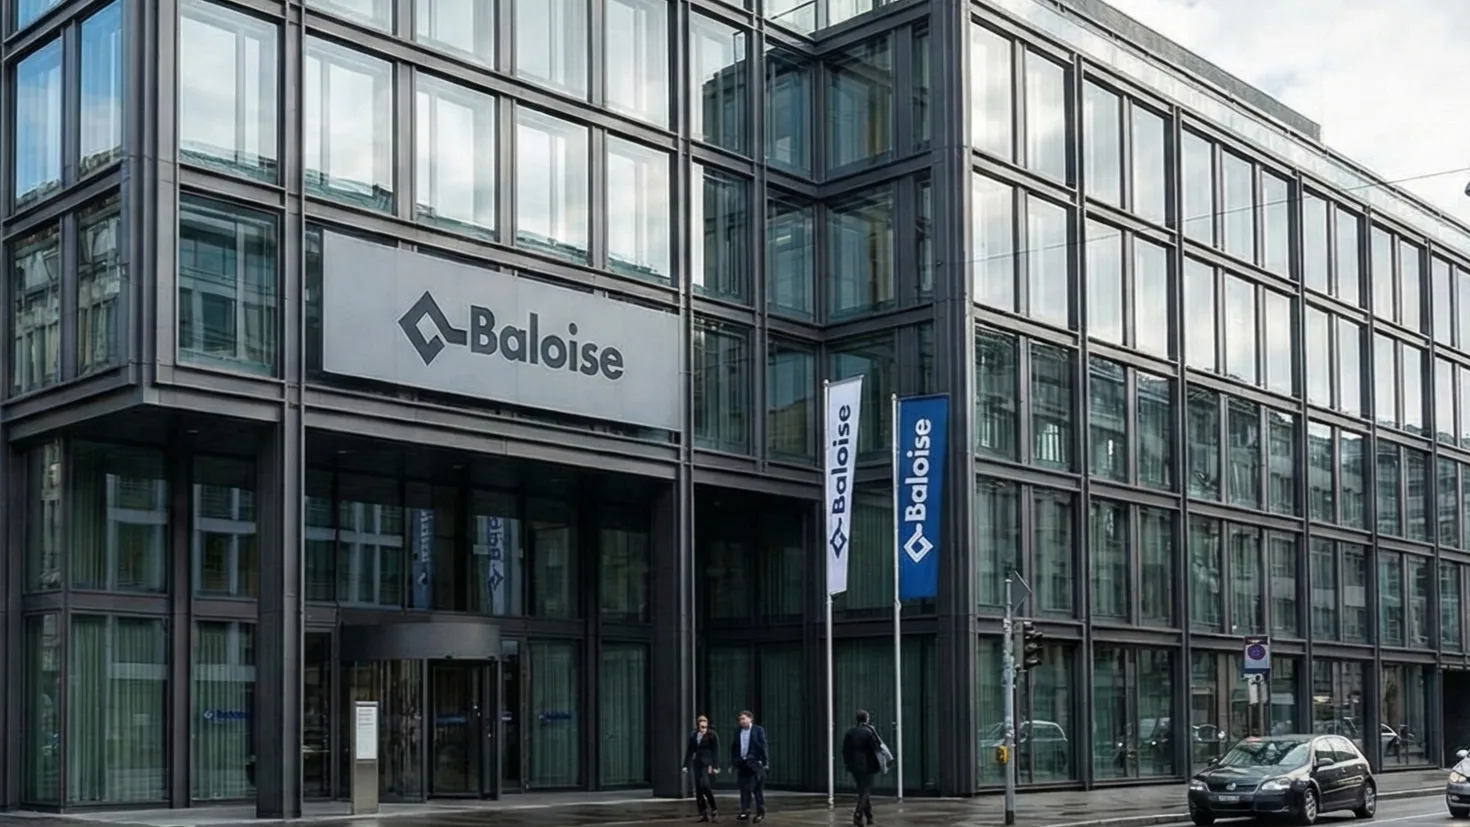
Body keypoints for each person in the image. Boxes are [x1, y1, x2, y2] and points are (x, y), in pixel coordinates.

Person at [841, 710, 884, 826]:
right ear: (866, 719)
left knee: (863, 790)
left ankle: (869, 817)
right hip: (866, 766)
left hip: (854, 766)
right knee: (865, 791)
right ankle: (858, 814)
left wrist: (847, 764)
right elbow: (876, 748)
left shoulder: (850, 733)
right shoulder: (868, 732)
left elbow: (844, 750)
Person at [729, 710, 768, 823]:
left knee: (757, 790)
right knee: (744, 788)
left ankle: (760, 812)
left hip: (755, 763)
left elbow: (763, 746)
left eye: (744, 718)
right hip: (742, 763)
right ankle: (745, 811)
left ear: (750, 718)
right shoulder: (738, 732)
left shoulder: (758, 730)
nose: (742, 721)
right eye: (740, 720)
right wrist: (733, 763)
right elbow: (734, 748)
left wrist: (765, 762)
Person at [684, 715, 722, 822]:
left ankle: (713, 808)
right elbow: (690, 751)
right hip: (697, 764)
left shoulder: (712, 735)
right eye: (701, 726)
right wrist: (686, 765)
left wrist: (716, 766)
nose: (703, 728)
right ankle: (703, 813)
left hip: (707, 764)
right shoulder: (694, 735)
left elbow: (716, 751)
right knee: (699, 790)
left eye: (705, 726)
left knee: (705, 786)